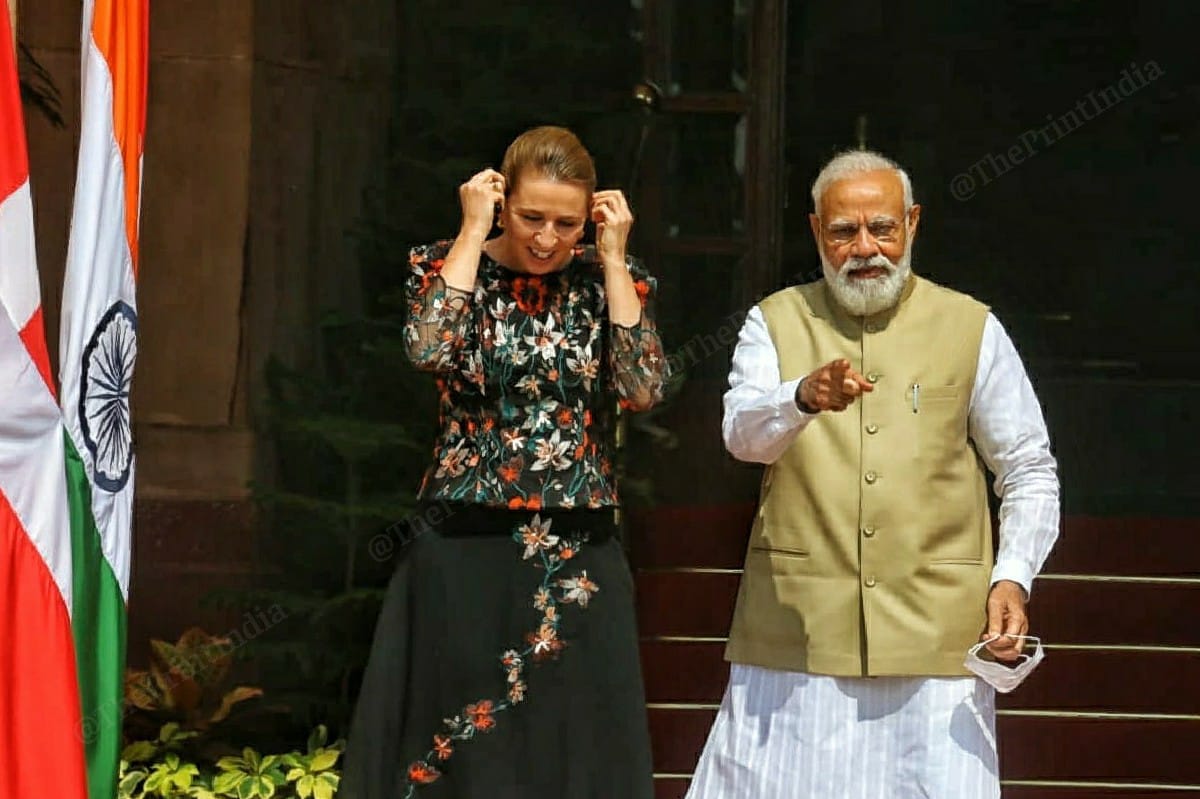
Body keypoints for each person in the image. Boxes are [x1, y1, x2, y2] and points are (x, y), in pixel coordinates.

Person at [685, 150, 1060, 799]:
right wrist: (801, 396)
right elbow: (742, 436)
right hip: (797, 637)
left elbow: (1028, 466)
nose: (865, 248)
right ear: (815, 232)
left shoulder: (971, 326)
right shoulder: (774, 320)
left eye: (882, 228)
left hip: (936, 638)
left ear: (912, 223)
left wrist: (1014, 575)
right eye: (844, 231)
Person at [341, 126, 664, 799]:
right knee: (459, 735)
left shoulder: (610, 281)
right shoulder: (445, 264)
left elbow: (642, 388)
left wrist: (610, 258)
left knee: (573, 733)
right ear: (501, 200)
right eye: (530, 217)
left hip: (576, 544)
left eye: (566, 223)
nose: (547, 238)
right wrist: (470, 231)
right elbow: (429, 348)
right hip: (463, 541)